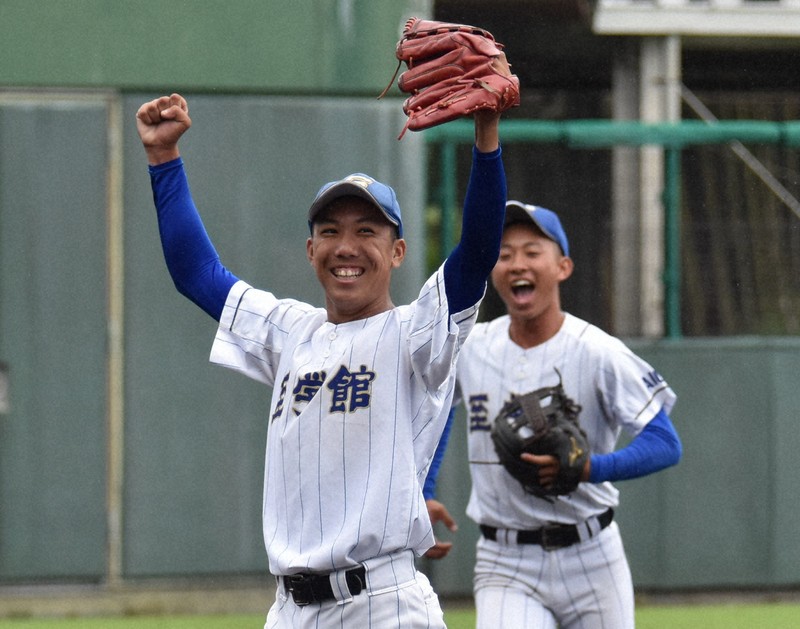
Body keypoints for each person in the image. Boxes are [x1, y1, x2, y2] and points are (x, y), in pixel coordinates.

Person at [135, 86, 510, 628]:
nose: (346, 247)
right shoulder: (291, 330)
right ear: (311, 250)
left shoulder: (417, 334)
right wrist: (163, 158)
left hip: (383, 604)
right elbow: (196, 273)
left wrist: (487, 138)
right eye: (329, 231)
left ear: (398, 251)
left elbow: (476, 251)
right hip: (290, 610)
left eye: (367, 231)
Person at [424, 200, 683, 628]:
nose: (516, 264)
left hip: (592, 552)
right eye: (504, 255)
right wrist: (426, 489)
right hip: (504, 561)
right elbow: (439, 411)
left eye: (531, 251)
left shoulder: (597, 351)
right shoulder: (473, 347)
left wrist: (591, 468)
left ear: (562, 267)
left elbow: (665, 442)